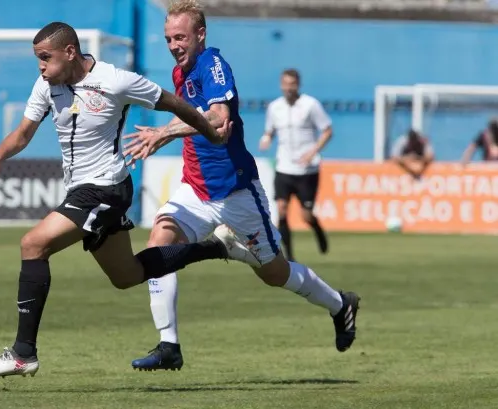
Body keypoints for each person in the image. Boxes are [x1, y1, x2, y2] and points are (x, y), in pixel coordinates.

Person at [0, 21, 255, 379]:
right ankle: (219, 247)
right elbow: (23, 134)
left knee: (33, 244)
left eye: (45, 58)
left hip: (105, 188)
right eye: (37, 59)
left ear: (70, 52)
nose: (40, 66)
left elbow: (175, 102)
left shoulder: (116, 80)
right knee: (126, 275)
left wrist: (211, 132)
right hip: (82, 190)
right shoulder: (46, 85)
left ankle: (24, 353)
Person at [124, 0, 360, 372]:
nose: (174, 45)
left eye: (181, 37)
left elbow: (218, 118)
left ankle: (339, 303)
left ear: (200, 34)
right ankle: (169, 345)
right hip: (195, 189)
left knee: (274, 274)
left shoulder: (213, 65)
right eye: (169, 38)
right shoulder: (179, 73)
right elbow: (197, 121)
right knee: (159, 242)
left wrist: (163, 132)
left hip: (236, 193)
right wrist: (167, 133)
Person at [259, 69, 330, 262]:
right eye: (285, 83)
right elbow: (270, 130)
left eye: (292, 84)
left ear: (298, 84)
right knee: (281, 209)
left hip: (307, 169)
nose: (288, 88)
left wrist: (313, 151)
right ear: (281, 84)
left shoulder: (310, 105)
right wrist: (266, 138)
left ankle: (317, 229)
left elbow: (327, 131)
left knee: (306, 216)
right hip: (284, 167)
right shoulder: (275, 107)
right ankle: (289, 256)